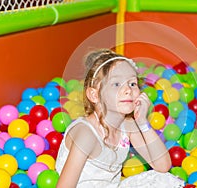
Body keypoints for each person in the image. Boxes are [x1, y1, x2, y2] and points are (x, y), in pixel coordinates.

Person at [55, 49, 185, 188]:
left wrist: (142, 123)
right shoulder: (86, 134)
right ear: (94, 95)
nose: (128, 90)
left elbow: (162, 165)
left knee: (163, 179)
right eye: (116, 84)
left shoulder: (127, 125)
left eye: (132, 83)